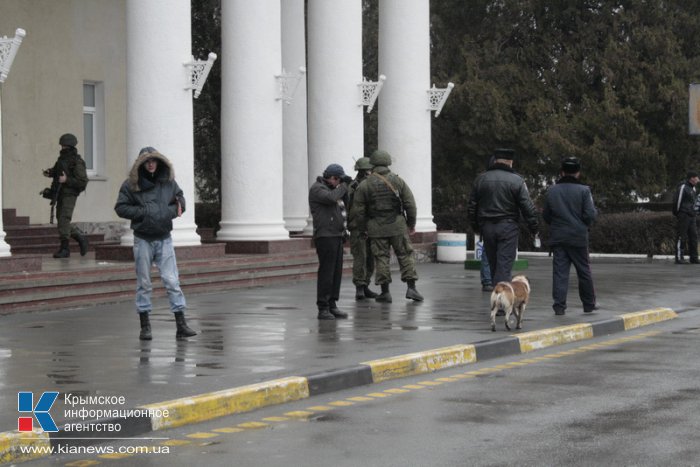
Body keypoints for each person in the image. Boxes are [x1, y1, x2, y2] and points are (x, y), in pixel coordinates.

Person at [114, 146, 196, 340]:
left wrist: (166, 213)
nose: (151, 164)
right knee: (144, 282)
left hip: (164, 237)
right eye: (147, 162)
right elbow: (121, 207)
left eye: (154, 161)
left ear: (159, 162)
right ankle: (145, 326)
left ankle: (181, 324)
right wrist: (144, 213)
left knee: (172, 281)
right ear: (141, 164)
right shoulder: (130, 185)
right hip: (143, 238)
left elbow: (180, 201)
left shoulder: (168, 182)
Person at [351, 149, 423, 303]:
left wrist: (363, 229)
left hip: (376, 227)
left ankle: (385, 292)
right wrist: (411, 224)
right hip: (397, 225)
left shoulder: (365, 184)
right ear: (388, 163)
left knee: (381, 258)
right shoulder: (398, 181)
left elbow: (359, 211)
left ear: (373, 164)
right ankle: (411, 288)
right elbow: (410, 204)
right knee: (405, 255)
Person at [467, 148, 538, 285]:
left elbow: (472, 207)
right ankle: (502, 304)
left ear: (495, 160)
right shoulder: (517, 180)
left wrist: (476, 227)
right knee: (504, 266)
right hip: (508, 227)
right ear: (510, 162)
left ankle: (497, 294)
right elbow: (527, 207)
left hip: (487, 227)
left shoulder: (481, 179)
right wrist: (534, 227)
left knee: (493, 264)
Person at [542, 157, 598, 315]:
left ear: (562, 172)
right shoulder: (584, 191)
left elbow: (546, 215)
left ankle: (559, 306)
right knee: (584, 271)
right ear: (578, 173)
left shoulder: (552, 191)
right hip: (578, 238)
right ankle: (588, 304)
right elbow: (590, 215)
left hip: (559, 238)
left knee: (560, 273)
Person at [309, 163, 352, 320]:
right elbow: (331, 199)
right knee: (327, 273)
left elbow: (345, 205)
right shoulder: (317, 189)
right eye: (338, 180)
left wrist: (345, 188)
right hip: (325, 236)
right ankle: (323, 307)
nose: (339, 183)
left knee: (336, 273)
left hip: (337, 235)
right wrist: (344, 185)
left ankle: (332, 304)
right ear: (331, 177)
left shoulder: (334, 189)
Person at [42, 133, 89, 258]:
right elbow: (58, 171)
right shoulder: (61, 159)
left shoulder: (77, 161)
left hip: (70, 194)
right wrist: (50, 172)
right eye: (62, 146)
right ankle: (80, 238)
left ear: (70, 146)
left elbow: (82, 181)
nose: (63, 148)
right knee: (61, 221)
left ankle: (65, 249)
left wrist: (67, 180)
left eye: (65, 146)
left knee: (64, 219)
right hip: (60, 193)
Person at [347, 157, 379, 300]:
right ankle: (359, 287)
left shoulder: (370, 185)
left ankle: (365, 285)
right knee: (360, 257)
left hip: (371, 227)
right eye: (368, 171)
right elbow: (352, 209)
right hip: (357, 228)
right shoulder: (354, 187)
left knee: (370, 259)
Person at [672, 171, 699, 264]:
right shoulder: (683, 187)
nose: (698, 180)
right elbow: (677, 202)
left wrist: (694, 212)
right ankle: (679, 258)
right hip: (683, 215)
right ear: (691, 178)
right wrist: (679, 213)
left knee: (694, 236)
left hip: (692, 216)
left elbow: (693, 203)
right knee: (681, 236)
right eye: (696, 178)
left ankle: (694, 258)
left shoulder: (693, 189)